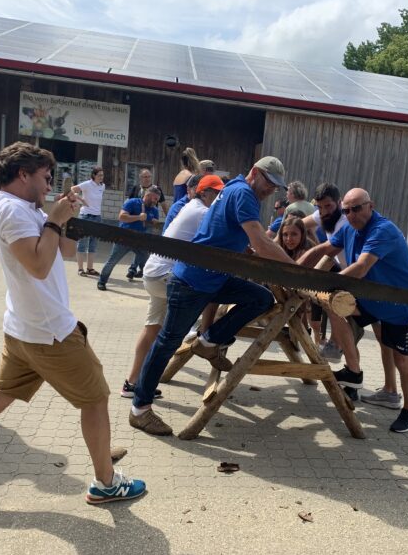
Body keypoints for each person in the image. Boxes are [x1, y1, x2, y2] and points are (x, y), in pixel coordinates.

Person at [0, 142, 145, 504]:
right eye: (45, 178)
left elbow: (62, 254)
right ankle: (106, 483)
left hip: (24, 329)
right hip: (50, 332)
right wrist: (52, 218)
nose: (50, 186)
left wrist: (64, 219)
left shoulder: (22, 208)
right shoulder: (13, 211)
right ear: (23, 174)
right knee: (96, 401)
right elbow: (37, 265)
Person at [128, 156, 293, 436]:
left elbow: (232, 236)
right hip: (193, 281)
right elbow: (260, 240)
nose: (269, 190)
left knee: (261, 299)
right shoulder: (244, 193)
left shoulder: (234, 189)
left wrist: (252, 255)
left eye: (276, 187)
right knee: (167, 342)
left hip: (213, 279)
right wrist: (295, 270)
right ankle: (139, 409)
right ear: (255, 173)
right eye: (268, 182)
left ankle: (207, 341)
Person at [298, 188, 408, 433]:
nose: (351, 214)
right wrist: (294, 272)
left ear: (370, 205)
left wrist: (325, 284)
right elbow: (322, 250)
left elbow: (361, 267)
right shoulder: (349, 227)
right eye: (346, 210)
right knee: (334, 308)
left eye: (356, 208)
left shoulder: (382, 230)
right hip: (373, 301)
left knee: (402, 359)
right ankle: (354, 373)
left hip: (402, 308)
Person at [121, 174, 224, 399]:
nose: (219, 199)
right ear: (204, 193)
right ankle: (204, 336)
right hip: (164, 276)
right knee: (211, 290)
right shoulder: (203, 212)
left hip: (153, 273)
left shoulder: (191, 206)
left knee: (151, 330)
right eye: (217, 194)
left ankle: (132, 383)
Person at [302, 183, 349, 361]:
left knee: (336, 305)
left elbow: (327, 252)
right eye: (319, 207)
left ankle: (336, 346)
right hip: (341, 270)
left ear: (339, 202)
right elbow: (301, 223)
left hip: (355, 274)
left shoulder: (344, 222)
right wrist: (284, 229)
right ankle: (333, 346)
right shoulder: (324, 212)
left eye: (328, 206)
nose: (323, 211)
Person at [96, 190, 160, 290]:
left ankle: (150, 285)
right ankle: (102, 281)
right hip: (124, 238)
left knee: (147, 263)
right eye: (155, 199)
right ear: (147, 195)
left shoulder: (154, 210)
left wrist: (154, 222)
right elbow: (122, 217)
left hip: (140, 240)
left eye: (157, 200)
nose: (156, 201)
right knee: (112, 261)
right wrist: (139, 217)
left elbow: (152, 226)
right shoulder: (132, 202)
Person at [73, 166, 105, 277]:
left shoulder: (102, 186)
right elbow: (72, 190)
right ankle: (80, 269)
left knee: (93, 244)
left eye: (102, 175)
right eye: (99, 175)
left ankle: (90, 268)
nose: (101, 177)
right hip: (85, 216)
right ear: (94, 175)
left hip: (97, 217)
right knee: (82, 243)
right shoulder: (87, 184)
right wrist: (80, 200)